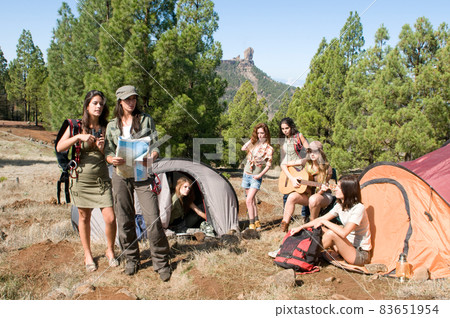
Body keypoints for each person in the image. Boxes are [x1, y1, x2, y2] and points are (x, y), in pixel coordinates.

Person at [104, 85, 171, 281]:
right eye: (127, 100)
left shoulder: (146, 119)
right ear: (120, 102)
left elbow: (156, 143)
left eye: (133, 98)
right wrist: (111, 159)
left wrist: (153, 155)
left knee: (152, 218)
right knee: (124, 219)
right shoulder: (111, 125)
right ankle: (132, 258)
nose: (131, 102)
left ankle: (161, 261)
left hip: (142, 171)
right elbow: (108, 151)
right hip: (120, 173)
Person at [56, 90, 118, 272]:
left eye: (101, 104)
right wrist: (78, 137)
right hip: (80, 179)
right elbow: (59, 147)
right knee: (84, 217)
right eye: (95, 103)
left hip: (101, 179)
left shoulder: (107, 127)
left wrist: (101, 149)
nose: (98, 106)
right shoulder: (75, 125)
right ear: (87, 105)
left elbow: (112, 153)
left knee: (110, 217)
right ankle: (88, 254)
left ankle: (110, 250)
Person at [288, 175, 372, 266]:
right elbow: (320, 219)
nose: (335, 189)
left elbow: (344, 233)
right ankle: (298, 250)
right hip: (346, 246)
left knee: (331, 233)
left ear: (347, 190)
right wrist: (301, 227)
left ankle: (304, 255)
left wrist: (325, 222)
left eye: (339, 187)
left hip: (360, 255)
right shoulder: (340, 205)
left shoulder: (358, 208)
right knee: (319, 227)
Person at [280, 140, 333, 232]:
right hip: (309, 194)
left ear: (321, 152)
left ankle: (312, 226)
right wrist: (292, 178)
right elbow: (283, 164)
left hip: (323, 196)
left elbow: (320, 192)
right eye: (309, 151)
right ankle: (284, 225)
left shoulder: (327, 168)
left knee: (314, 199)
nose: (312, 154)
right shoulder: (305, 162)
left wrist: (322, 190)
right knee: (292, 197)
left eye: (315, 151)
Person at [241, 123, 273, 230]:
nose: (260, 135)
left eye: (262, 133)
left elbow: (268, 165)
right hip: (246, 174)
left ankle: (251, 226)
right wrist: (252, 139)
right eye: (258, 133)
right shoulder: (253, 144)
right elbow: (243, 148)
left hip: (256, 176)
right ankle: (257, 222)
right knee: (252, 201)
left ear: (266, 133)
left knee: (249, 200)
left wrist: (260, 175)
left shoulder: (268, 148)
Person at [279, 117, 309, 209]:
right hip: (288, 169)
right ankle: (287, 217)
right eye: (283, 129)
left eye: (287, 128)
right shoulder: (283, 139)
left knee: (303, 190)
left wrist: (301, 161)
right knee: (286, 193)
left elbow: (310, 151)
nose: (285, 131)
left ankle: (305, 215)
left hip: (299, 167)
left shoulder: (299, 136)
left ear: (291, 127)